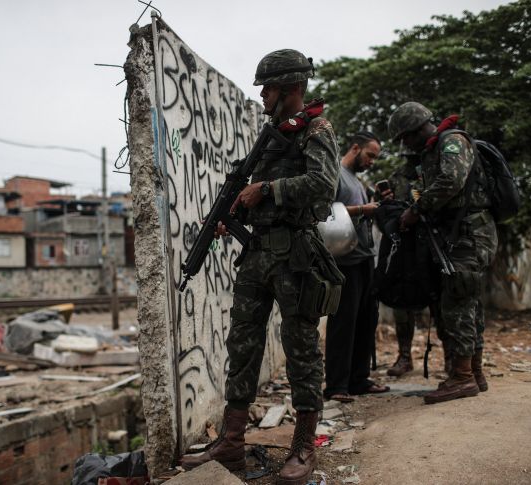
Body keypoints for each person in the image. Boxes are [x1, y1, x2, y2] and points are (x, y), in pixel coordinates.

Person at [181, 49, 342, 485]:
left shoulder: (317, 129)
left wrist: (266, 189)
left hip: (296, 256)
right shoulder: (273, 131)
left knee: (301, 351)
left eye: (269, 88)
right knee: (242, 346)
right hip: (256, 256)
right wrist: (237, 209)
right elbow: (256, 194)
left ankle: (304, 446)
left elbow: (323, 185)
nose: (264, 95)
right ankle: (232, 443)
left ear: (291, 89)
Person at [388, 101, 498, 404]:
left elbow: (451, 181)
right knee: (468, 300)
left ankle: (462, 377)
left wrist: (415, 210)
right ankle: (474, 372)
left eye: (405, 137)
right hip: (463, 234)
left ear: (416, 129)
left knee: (458, 302)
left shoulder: (452, 142)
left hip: (470, 234)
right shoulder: (433, 150)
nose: (405, 144)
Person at [323, 132, 390, 403]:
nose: (372, 161)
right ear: (354, 148)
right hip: (345, 261)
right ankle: (337, 386)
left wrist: (375, 203)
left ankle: (359, 380)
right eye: (370, 155)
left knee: (366, 321)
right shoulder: (335, 175)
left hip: (364, 258)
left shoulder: (358, 181)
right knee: (344, 323)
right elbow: (327, 210)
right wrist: (363, 209)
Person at [379, 162, 451, 378]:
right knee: (402, 303)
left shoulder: (439, 172)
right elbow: (383, 214)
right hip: (407, 251)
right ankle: (404, 357)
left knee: (441, 302)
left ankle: (451, 358)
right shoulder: (396, 178)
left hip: (434, 247)